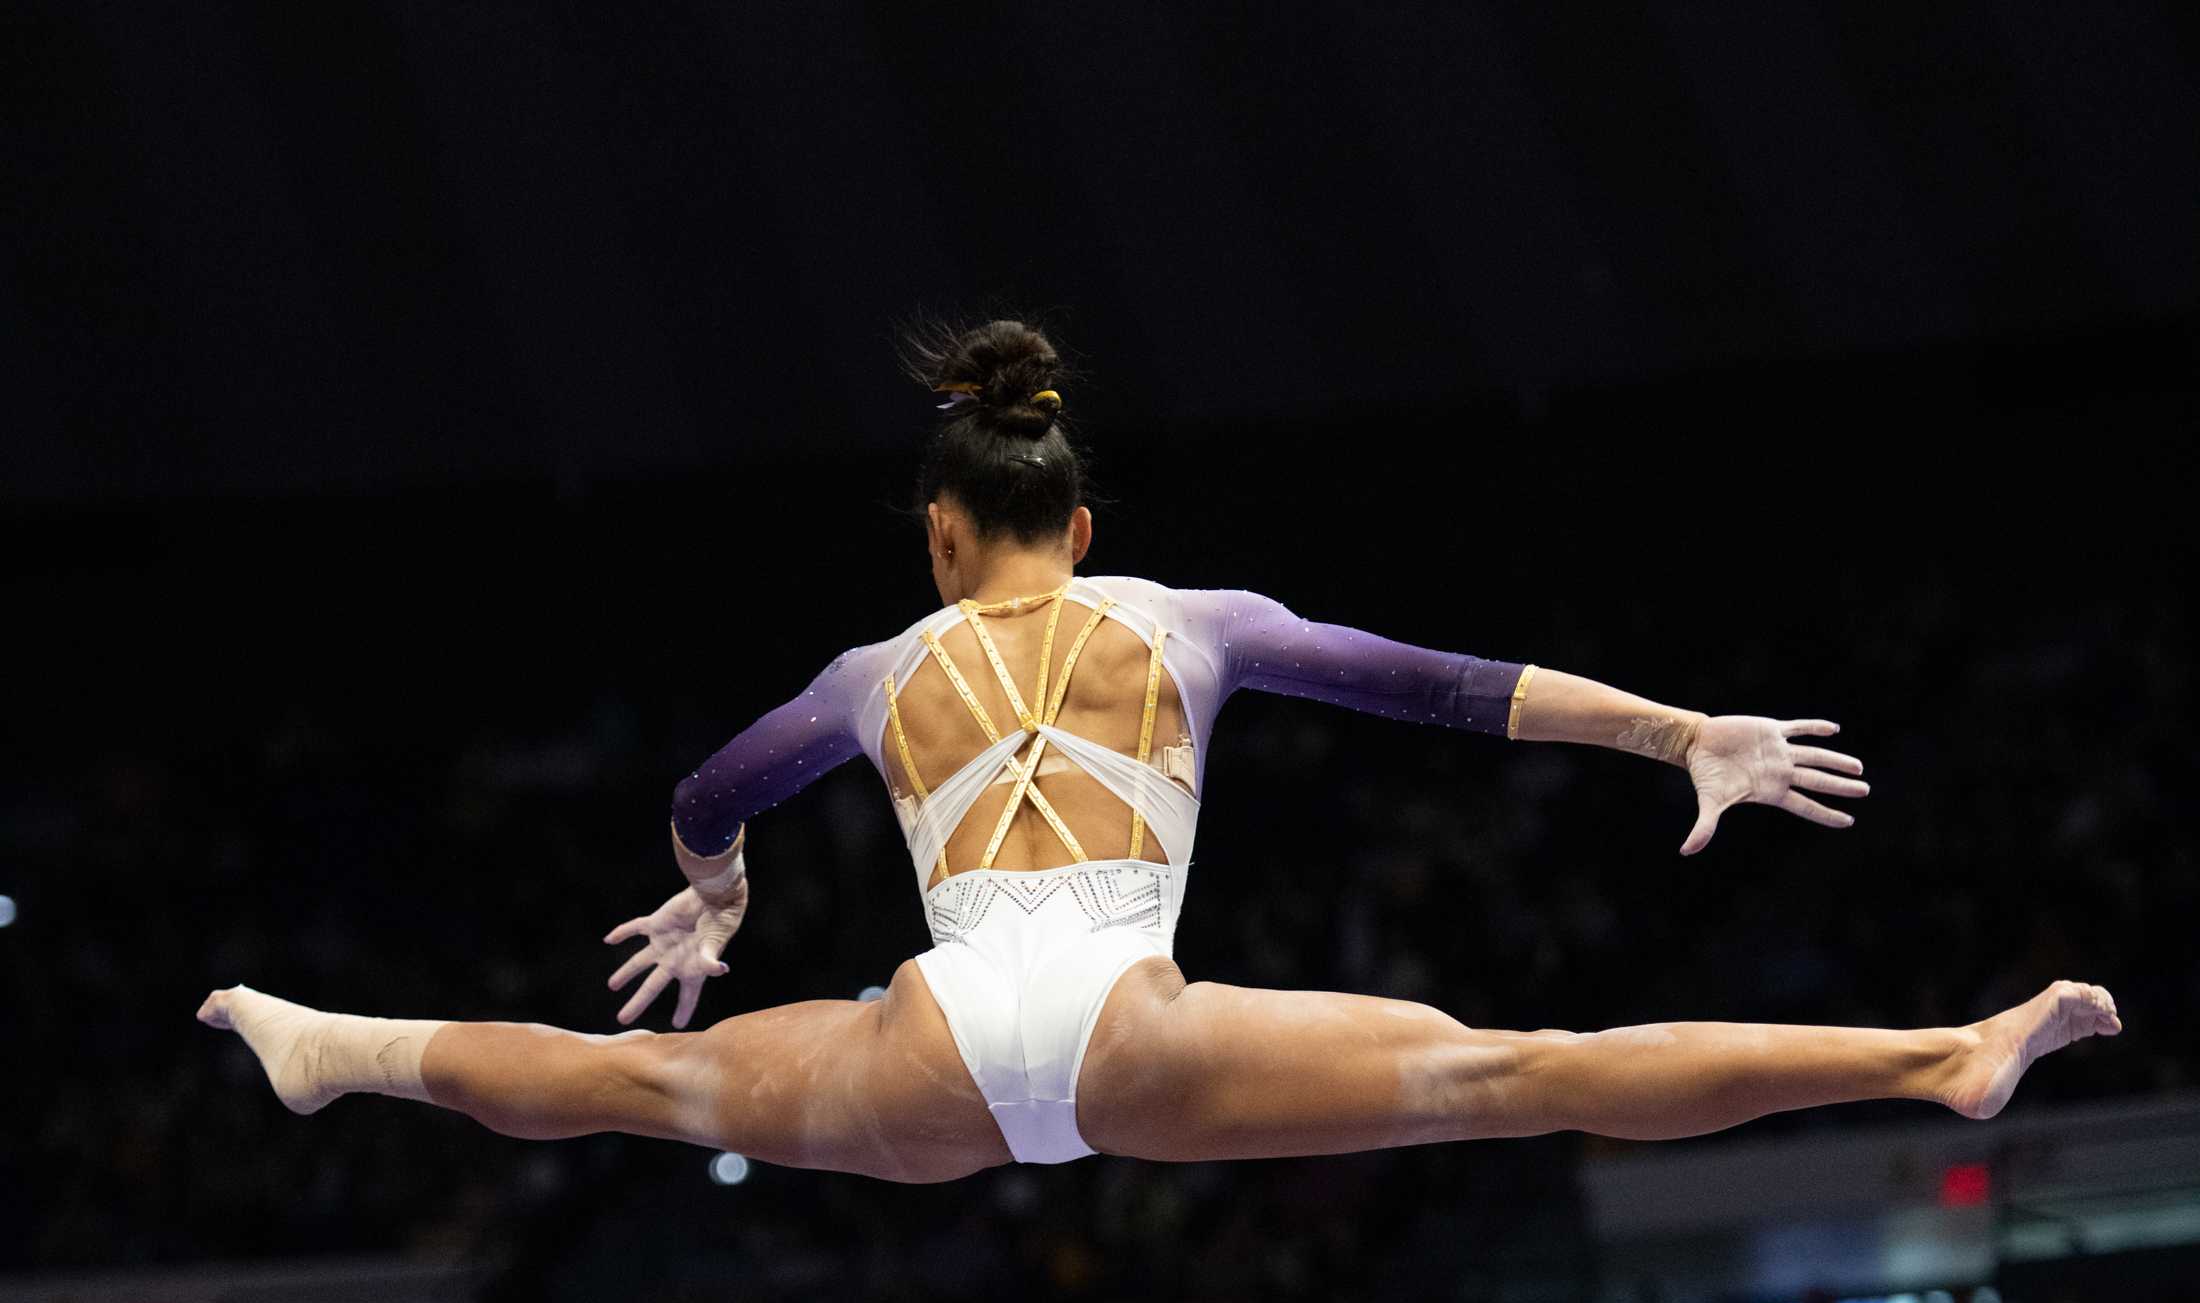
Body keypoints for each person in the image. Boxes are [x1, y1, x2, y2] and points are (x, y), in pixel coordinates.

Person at [199, 319, 2121, 1183]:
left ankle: (335, 1052)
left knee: (643, 1098)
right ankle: (1937, 1058)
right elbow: (1450, 686)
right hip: (1139, 1024)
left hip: (933, 1041)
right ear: (1082, 529)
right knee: (1523, 1074)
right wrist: (1682, 729)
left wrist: (718, 898)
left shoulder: (875, 673)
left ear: (941, 538)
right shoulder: (1198, 629)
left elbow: (707, 792)